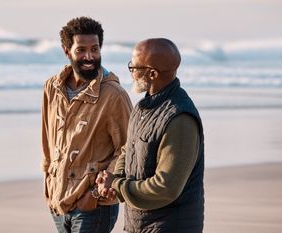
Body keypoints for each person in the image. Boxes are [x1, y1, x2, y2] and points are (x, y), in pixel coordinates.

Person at [96, 38, 205, 233]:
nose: (132, 72)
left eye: (134, 67)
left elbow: (165, 188)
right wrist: (115, 179)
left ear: (152, 74)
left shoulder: (180, 119)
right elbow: (128, 150)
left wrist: (118, 185)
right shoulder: (142, 107)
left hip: (171, 226)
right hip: (139, 224)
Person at [41, 17, 132, 233]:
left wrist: (94, 195)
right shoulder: (52, 88)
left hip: (93, 206)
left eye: (95, 49)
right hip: (59, 201)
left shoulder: (114, 95)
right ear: (66, 51)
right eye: (81, 50)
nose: (89, 57)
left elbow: (129, 149)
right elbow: (47, 138)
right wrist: (48, 184)